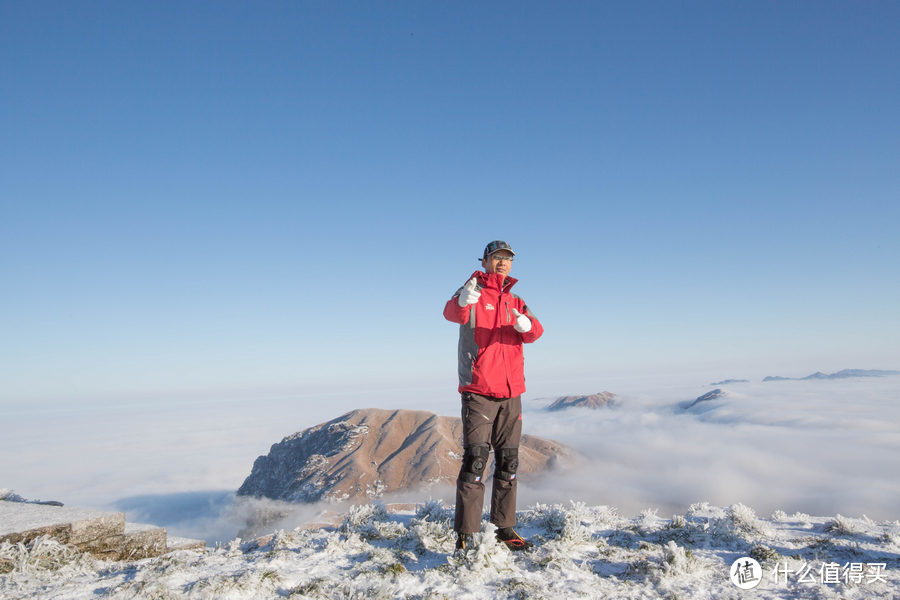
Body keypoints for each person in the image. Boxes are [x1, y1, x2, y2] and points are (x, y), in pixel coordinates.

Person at [442, 240, 544, 552]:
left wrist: (527, 325)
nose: (502, 262)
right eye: (497, 257)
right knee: (475, 461)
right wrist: (462, 300)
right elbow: (451, 313)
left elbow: (535, 332)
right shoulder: (471, 291)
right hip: (479, 390)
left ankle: (505, 526)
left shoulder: (516, 300)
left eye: (507, 258)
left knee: (509, 462)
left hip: (512, 392)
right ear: (485, 261)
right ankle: (467, 533)